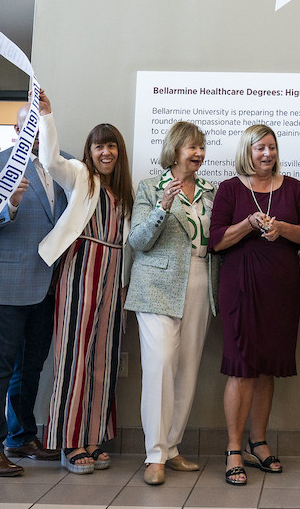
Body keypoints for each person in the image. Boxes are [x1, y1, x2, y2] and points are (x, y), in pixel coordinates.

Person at [0, 105, 71, 477]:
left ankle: (21, 435)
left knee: (31, 368)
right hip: (2, 286)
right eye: (28, 125)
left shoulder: (67, 166)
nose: (36, 131)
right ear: (16, 130)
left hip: (48, 287)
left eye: (42, 123)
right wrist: (8, 204)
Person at [209, 124, 300, 486]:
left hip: (280, 291)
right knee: (242, 367)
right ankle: (233, 448)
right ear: (247, 151)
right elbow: (217, 241)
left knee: (267, 366)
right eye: (260, 149)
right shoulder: (228, 189)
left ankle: (259, 442)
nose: (267, 154)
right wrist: (249, 223)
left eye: (271, 147)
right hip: (240, 288)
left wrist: (282, 228)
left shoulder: (293, 187)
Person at [35, 91, 133, 476]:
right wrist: (46, 115)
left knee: (104, 357)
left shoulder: (123, 191)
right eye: (98, 146)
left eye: (111, 146)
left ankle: (94, 436)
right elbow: (49, 159)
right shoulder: (80, 176)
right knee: (74, 355)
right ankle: (69, 442)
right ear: (89, 152)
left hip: (113, 275)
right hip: (80, 269)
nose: (105, 153)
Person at [126, 121, 219, 486]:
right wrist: (161, 209)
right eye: (191, 147)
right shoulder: (151, 187)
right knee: (161, 364)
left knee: (187, 369)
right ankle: (155, 454)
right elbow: (137, 241)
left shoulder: (212, 191)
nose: (197, 154)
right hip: (156, 285)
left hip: (200, 282)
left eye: (201, 147)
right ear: (175, 149)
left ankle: (174, 448)